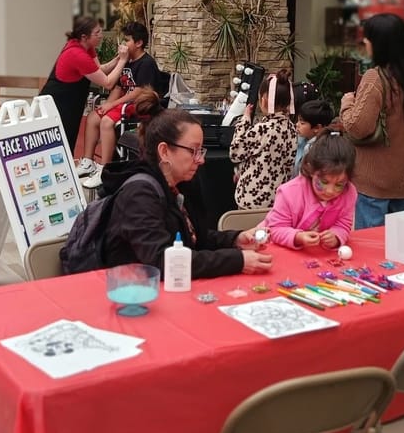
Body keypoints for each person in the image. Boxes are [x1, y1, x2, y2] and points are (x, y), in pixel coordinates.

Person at [92, 104, 274, 278]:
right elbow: (162, 261)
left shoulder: (180, 185)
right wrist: (237, 261)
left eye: (200, 151)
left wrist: (234, 240)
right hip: (130, 294)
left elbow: (193, 239)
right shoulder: (138, 194)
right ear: (164, 151)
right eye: (193, 151)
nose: (201, 160)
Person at [338, 13, 404, 228]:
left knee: (372, 250)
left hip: (374, 180)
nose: (365, 42)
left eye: (368, 38)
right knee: (400, 249)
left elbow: (358, 127)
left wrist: (347, 103)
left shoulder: (376, 77)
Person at [77, 21, 162, 190]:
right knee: (94, 116)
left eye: (127, 40)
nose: (123, 45)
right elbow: (119, 87)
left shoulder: (146, 63)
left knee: (107, 121)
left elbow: (138, 92)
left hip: (140, 104)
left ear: (138, 43)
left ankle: (105, 169)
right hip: (125, 103)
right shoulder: (127, 62)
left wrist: (112, 106)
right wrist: (106, 105)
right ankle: (88, 161)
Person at [39, 16, 129, 159]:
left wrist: (117, 59)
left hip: (72, 101)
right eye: (97, 33)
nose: (101, 35)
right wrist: (123, 60)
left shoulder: (87, 47)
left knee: (69, 142)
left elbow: (99, 69)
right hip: (57, 102)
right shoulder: (76, 54)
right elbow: (108, 83)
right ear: (84, 37)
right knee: (58, 144)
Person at [264, 126, 357, 249]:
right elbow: (275, 229)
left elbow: (344, 225)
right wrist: (298, 237)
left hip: (316, 256)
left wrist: (336, 236)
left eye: (339, 184)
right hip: (277, 250)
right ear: (311, 169)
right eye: (324, 181)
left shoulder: (349, 193)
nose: (330, 191)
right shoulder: (289, 192)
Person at [229, 69, 298, 209]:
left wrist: (245, 120)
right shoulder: (292, 129)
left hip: (251, 200)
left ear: (264, 100)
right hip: (278, 200)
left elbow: (235, 153)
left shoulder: (262, 129)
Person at [293, 98, 334, 176]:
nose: (297, 125)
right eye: (298, 121)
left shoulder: (320, 148)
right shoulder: (301, 140)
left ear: (317, 128)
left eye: (302, 123)